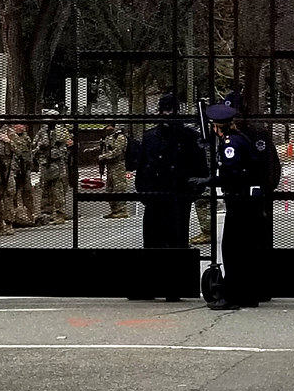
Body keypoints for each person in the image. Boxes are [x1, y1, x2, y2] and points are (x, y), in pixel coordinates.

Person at [193, 97, 280, 310]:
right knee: (246, 250)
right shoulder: (240, 138)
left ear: (216, 127)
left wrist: (209, 181)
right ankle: (248, 295)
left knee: (232, 250)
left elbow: (233, 174)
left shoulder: (231, 144)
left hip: (239, 202)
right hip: (248, 201)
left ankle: (231, 296)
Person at [134, 93, 207, 250]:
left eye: (171, 110)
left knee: (177, 245)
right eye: (164, 111)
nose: (167, 114)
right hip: (155, 200)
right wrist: (145, 195)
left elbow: (201, 170)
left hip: (178, 200)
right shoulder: (150, 137)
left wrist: (189, 196)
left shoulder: (190, 137)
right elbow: (141, 169)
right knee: (153, 245)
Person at [33, 110, 72, 224]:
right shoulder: (42, 131)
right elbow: (35, 145)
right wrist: (40, 148)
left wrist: (52, 150)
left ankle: (59, 214)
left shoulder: (61, 131)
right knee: (45, 188)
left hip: (58, 164)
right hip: (45, 164)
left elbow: (65, 147)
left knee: (58, 190)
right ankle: (46, 213)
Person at [96, 123, 130, 219]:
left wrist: (103, 157)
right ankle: (114, 210)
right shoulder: (107, 137)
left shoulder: (120, 137)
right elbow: (104, 149)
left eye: (110, 126)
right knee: (109, 189)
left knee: (119, 188)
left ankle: (122, 210)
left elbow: (117, 151)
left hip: (118, 165)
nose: (107, 128)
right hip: (110, 166)